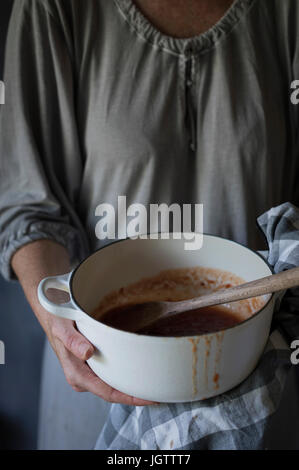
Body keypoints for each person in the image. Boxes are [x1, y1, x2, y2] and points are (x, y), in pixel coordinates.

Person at [0, 0, 299, 450]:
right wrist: (56, 322)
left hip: (257, 384)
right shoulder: (54, 7)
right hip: (98, 380)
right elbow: (27, 204)